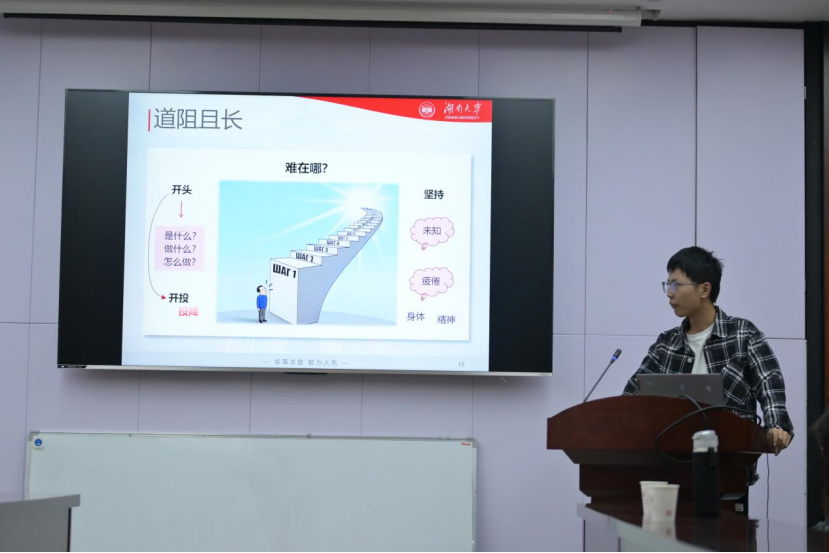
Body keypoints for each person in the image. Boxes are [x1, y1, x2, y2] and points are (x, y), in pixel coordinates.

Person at [622, 247, 794, 492]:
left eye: (675, 284)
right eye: (667, 285)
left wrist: (776, 425)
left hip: (728, 470)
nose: (669, 293)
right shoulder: (666, 344)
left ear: (704, 289)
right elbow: (632, 395)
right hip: (667, 471)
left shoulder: (743, 335)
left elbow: (769, 381)